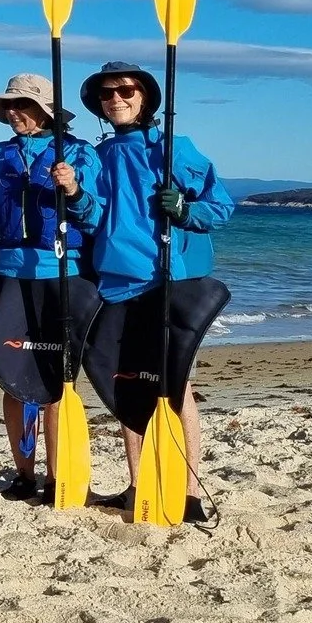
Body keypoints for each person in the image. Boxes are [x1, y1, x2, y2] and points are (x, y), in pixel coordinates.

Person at [78, 60, 234, 521]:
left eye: (126, 90)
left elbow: (220, 207)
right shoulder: (96, 156)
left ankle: (187, 492)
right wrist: (72, 196)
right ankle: (137, 483)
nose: (117, 99)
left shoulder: (172, 148)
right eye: (107, 94)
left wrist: (185, 208)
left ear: (144, 97)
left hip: (167, 280)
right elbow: (91, 217)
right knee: (127, 384)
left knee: (175, 384)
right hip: (115, 283)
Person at [0, 73, 104, 502]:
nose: (13, 113)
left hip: (63, 277)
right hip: (8, 278)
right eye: (9, 106)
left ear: (45, 110)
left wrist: (74, 189)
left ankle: (58, 475)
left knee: (59, 382)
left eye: (22, 105)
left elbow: (97, 218)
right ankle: (24, 474)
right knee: (13, 378)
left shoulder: (79, 153)